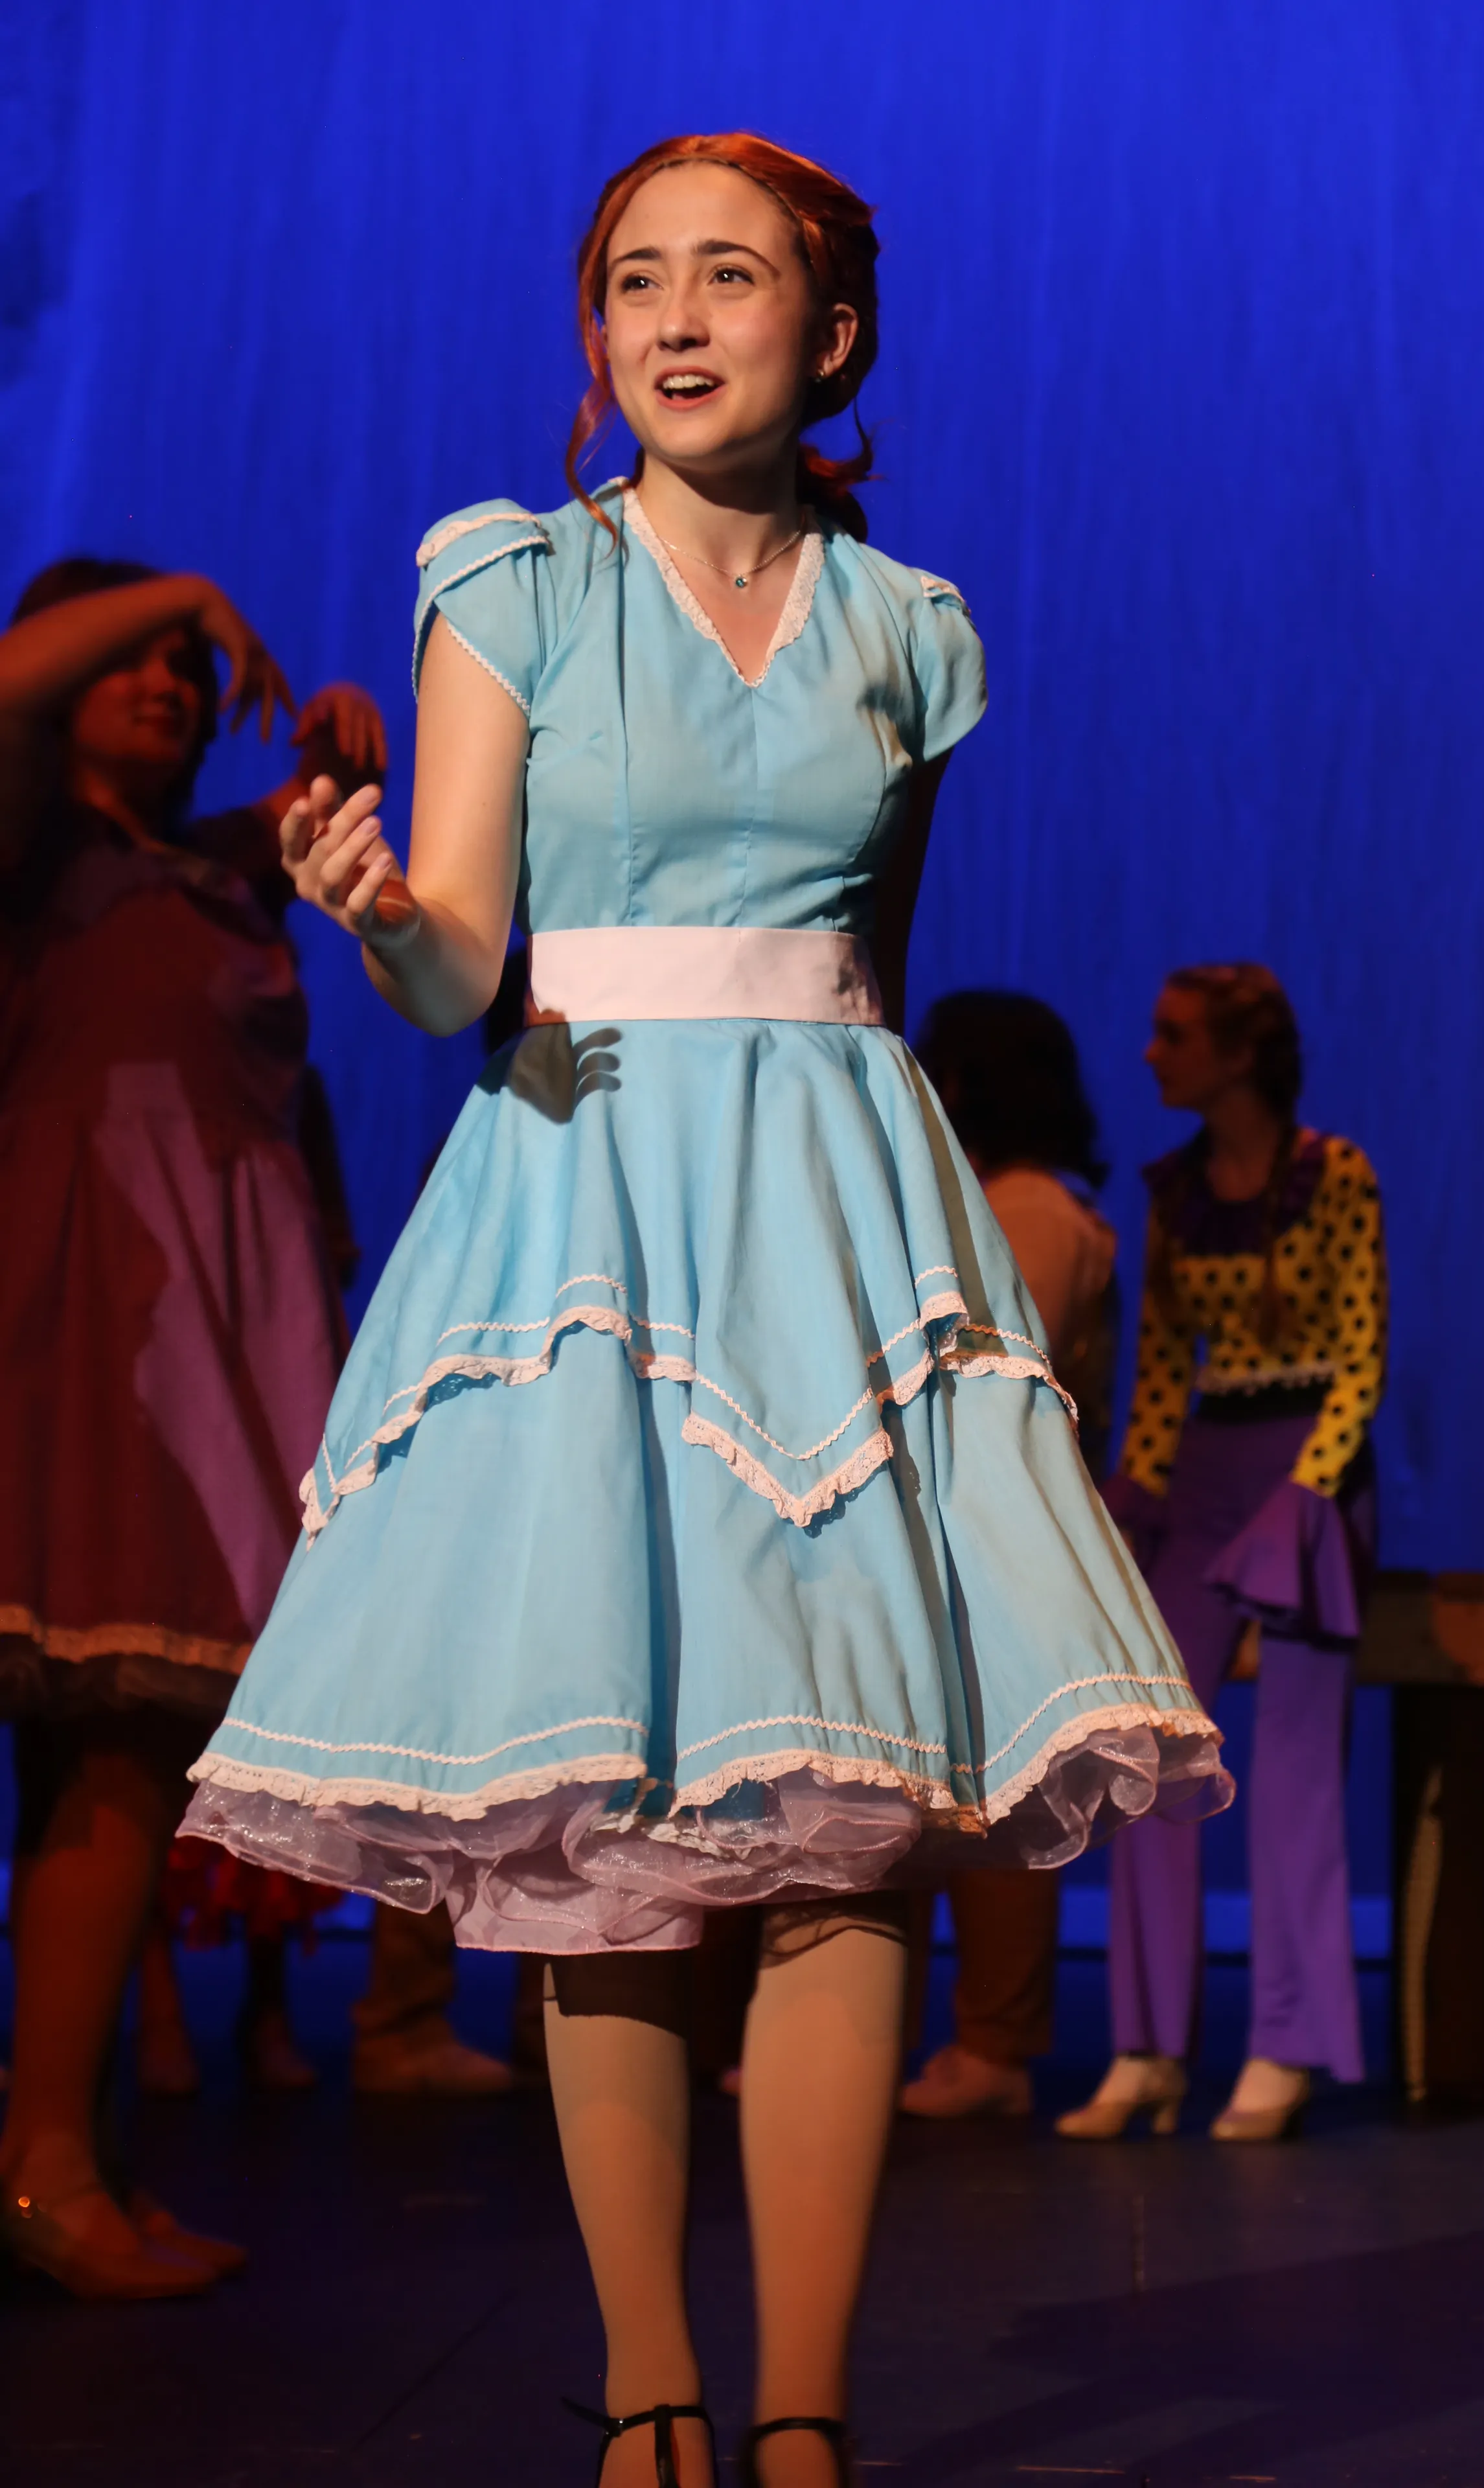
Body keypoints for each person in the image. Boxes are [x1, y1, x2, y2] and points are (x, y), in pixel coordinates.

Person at [183, 135, 1227, 2485]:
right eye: (631, 281)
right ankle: (654, 2394)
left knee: (850, 1821)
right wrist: (371, 910)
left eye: (727, 277)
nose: (672, 319)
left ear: (827, 334)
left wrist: (923, 1232)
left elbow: (874, 968)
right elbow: (468, 951)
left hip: (836, 1213)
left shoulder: (912, 629)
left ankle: (802, 2417)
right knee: (613, 1826)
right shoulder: (514, 585)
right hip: (587, 1190)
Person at [0, 553, 382, 2296]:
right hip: (97, 1332)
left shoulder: (201, 872)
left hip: (216, 1344)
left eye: (183, 665)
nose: (165, 678)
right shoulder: (39, 859)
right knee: (117, 1746)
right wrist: (194, 588)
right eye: (132, 659)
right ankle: (52, 2169)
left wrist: (338, 756)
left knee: (129, 1765)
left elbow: (338, 832)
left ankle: (88, 2156)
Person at [1057, 964, 1386, 2147]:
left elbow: (1360, 1356)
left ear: (1238, 1055)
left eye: (1175, 1036)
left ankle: (1289, 2043)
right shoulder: (1175, 1193)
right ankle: (1148, 2047)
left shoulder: (1335, 1176)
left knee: (1295, 1771)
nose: (1151, 1055)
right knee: (1155, 1754)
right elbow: (1159, 1373)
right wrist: (1132, 1496)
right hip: (1205, 1469)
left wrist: (1307, 1493)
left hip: (1307, 1476)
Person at [899, 991, 1119, 2120]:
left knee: (1003, 1800)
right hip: (969, 1522)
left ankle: (995, 2044)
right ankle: (971, 2040)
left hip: (997, 1529)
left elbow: (993, 1365)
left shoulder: (1029, 1209)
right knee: (951, 1799)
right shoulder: (1000, 1199)